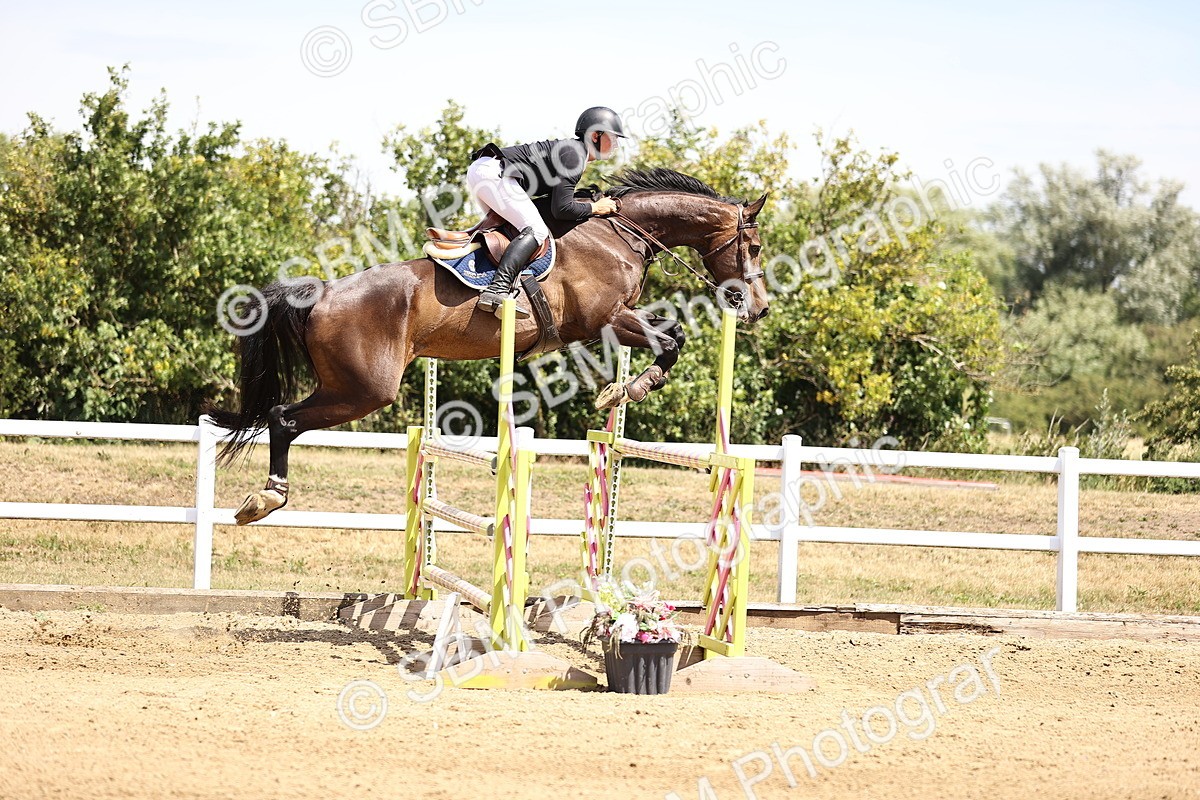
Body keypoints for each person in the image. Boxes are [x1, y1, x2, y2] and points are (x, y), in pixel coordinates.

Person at [465, 106, 627, 318]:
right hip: (494, 173)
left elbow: (551, 205)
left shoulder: (573, 152)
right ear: (595, 135)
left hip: (487, 171)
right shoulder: (575, 154)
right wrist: (595, 207)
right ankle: (497, 289)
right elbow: (562, 209)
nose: (615, 145)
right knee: (536, 231)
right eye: (613, 138)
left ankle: (486, 282)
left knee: (511, 231)